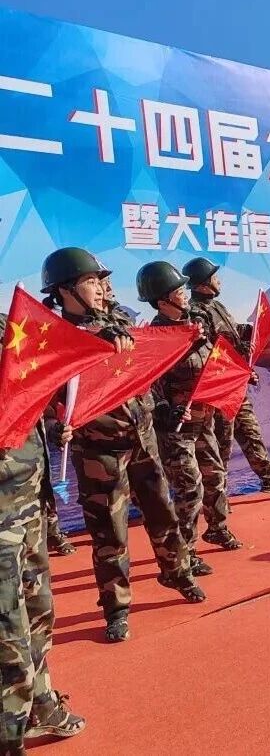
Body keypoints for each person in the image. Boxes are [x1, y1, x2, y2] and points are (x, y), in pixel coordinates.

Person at [40, 248, 204, 645]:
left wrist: (159, 405)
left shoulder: (117, 321)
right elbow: (46, 395)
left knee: (162, 512)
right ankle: (116, 607)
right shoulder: (56, 341)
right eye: (90, 282)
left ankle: (177, 572)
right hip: (98, 452)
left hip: (143, 437)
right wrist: (57, 421)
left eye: (100, 281)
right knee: (109, 534)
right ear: (65, 291)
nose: (100, 288)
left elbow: (142, 361)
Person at [0, 315, 85, 755]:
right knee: (6, 636)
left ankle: (39, 705)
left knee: (37, 614)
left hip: (27, 503)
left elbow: (23, 404)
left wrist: (53, 428)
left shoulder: (9, 328)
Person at [139, 261, 242, 563]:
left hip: (203, 418)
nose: (185, 294)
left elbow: (213, 364)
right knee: (189, 488)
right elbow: (149, 385)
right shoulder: (156, 338)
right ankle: (185, 551)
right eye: (178, 290)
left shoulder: (194, 325)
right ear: (162, 301)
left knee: (215, 476)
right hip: (176, 428)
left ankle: (218, 527)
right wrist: (165, 411)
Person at [182, 257, 270, 499]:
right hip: (220, 390)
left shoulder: (217, 306)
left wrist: (259, 329)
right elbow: (209, 349)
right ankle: (218, 497)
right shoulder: (195, 313)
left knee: (252, 434)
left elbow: (233, 332)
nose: (218, 280)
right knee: (221, 445)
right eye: (213, 276)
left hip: (236, 384)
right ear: (202, 284)